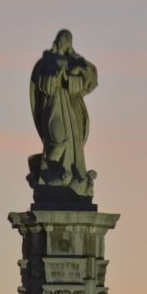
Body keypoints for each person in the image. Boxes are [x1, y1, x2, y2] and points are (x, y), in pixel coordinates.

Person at [29, 29, 98, 197]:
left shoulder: (74, 61)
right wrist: (54, 78)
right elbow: (41, 83)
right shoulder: (46, 61)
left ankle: (70, 175)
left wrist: (70, 78)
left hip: (71, 107)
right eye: (61, 40)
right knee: (58, 140)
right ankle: (51, 173)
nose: (63, 43)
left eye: (67, 41)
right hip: (53, 106)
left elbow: (90, 80)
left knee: (72, 141)